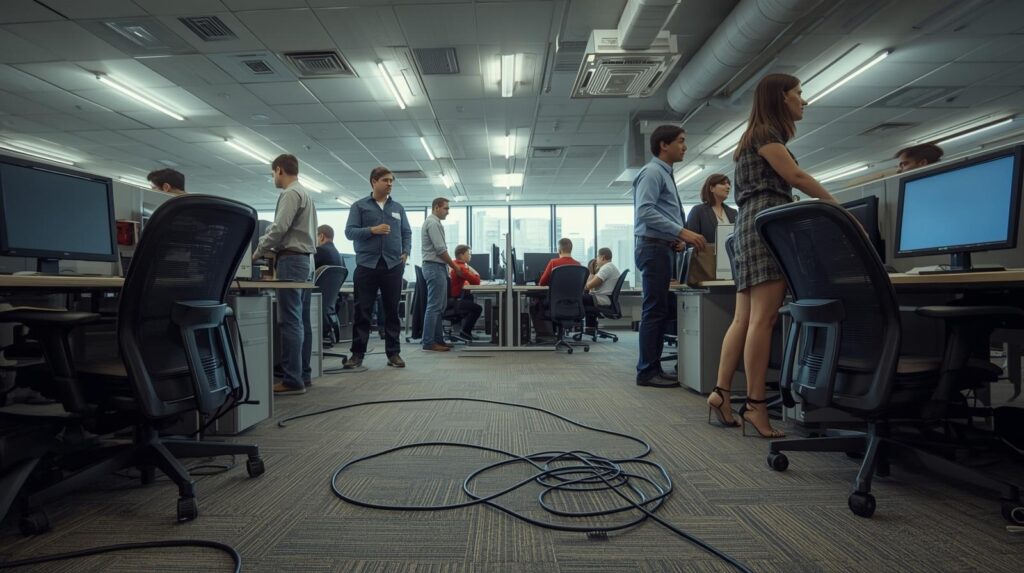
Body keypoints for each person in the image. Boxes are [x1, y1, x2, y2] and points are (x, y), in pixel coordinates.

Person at [709, 73, 838, 437]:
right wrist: (836, 206)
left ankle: (721, 393)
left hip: (752, 224)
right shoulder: (766, 133)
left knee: (745, 319)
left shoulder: (754, 136)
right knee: (762, 321)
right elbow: (794, 175)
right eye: (798, 92)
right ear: (780, 97)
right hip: (769, 224)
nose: (803, 100)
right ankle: (755, 405)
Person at [633, 125, 707, 388]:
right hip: (652, 248)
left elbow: (658, 213)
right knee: (654, 310)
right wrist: (681, 231)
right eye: (680, 141)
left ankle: (652, 367)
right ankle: (646, 372)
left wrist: (673, 238)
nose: (685, 146)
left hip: (659, 246)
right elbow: (645, 211)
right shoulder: (653, 172)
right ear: (664, 145)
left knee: (659, 309)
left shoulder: (664, 173)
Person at [253, 154, 318, 395]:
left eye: (272, 174)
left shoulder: (290, 193)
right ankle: (303, 374)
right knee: (301, 320)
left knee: (290, 320)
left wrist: (257, 252)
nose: (273, 178)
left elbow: (279, 228)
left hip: (292, 260)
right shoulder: (306, 193)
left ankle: (292, 380)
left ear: (279, 170)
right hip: (305, 260)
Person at [344, 166, 412, 369]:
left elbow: (406, 232)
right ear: (373, 181)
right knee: (362, 310)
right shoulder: (359, 206)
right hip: (367, 265)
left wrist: (406, 251)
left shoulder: (397, 208)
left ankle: (394, 354)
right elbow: (349, 232)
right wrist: (372, 230)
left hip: (393, 265)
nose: (390, 183)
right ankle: (357, 354)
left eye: (391, 180)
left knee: (392, 311)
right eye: (385, 180)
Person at [420, 197, 465, 352]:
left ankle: (438, 340)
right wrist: (454, 267)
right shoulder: (433, 223)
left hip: (437, 267)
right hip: (434, 267)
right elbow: (440, 249)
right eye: (446, 208)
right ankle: (428, 342)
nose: (448, 212)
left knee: (439, 306)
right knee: (434, 306)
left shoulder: (435, 223)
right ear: (437, 207)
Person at [531, 238, 581, 340]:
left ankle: (545, 335)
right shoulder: (578, 265)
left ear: (559, 250)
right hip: (573, 304)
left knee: (534, 305)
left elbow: (542, 283)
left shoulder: (553, 263)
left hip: (554, 303)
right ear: (571, 249)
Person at [685, 174, 738, 244]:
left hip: (729, 253)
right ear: (711, 188)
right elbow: (690, 241)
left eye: (728, 184)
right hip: (707, 254)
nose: (728, 187)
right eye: (723, 184)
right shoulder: (698, 211)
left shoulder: (733, 212)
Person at [582, 247, 620, 333]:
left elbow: (589, 285)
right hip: (603, 298)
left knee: (575, 298)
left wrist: (591, 272)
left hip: (601, 299)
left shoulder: (606, 268)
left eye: (597, 257)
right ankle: (589, 328)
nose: (596, 260)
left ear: (602, 257)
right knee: (581, 297)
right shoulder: (610, 267)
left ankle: (568, 326)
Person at [450, 244, 483, 340]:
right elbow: (476, 281)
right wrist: (468, 267)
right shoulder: (461, 267)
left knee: (470, 298)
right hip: (456, 301)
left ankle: (464, 331)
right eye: (468, 254)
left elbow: (466, 281)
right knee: (477, 308)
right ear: (461, 255)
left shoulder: (454, 263)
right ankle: (465, 331)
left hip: (453, 299)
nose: (470, 256)